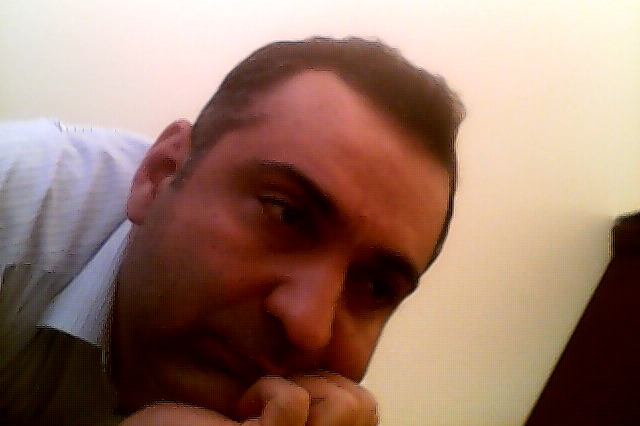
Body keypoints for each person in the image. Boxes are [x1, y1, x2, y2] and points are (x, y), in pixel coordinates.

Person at [0, 37, 465, 425]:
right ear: (161, 173)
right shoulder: (14, 199)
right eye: (285, 214)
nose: (307, 326)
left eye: (377, 287)